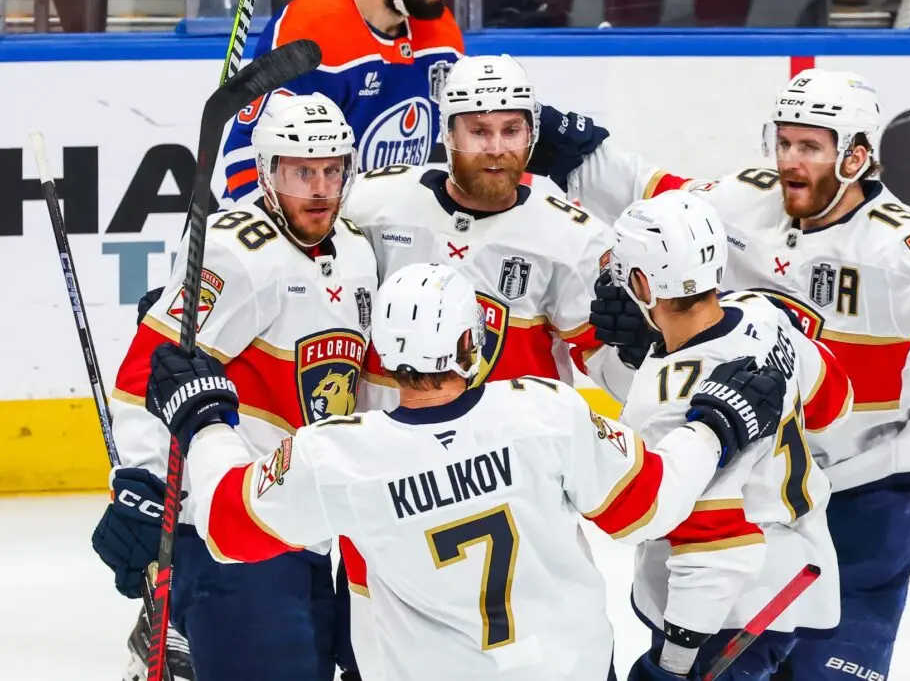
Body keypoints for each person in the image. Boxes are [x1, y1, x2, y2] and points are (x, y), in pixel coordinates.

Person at [525, 68, 910, 680]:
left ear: (856, 156)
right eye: (784, 141)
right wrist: (577, 151)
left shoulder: (898, 246)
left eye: (810, 147)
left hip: (864, 499)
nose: (790, 160)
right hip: (760, 491)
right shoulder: (745, 198)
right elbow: (655, 195)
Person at [143, 261, 790, 681]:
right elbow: (651, 503)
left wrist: (203, 417)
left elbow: (229, 524)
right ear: (470, 343)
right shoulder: (547, 412)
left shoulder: (338, 455)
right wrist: (714, 424)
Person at [91, 94, 383, 681]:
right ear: (269, 171)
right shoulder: (234, 251)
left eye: (333, 169)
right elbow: (147, 374)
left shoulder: (355, 250)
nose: (321, 187)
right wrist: (146, 490)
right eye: (303, 171)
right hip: (233, 529)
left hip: (315, 525)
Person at [606, 192, 851, 680]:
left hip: (727, 610)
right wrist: (658, 347)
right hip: (799, 571)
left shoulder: (669, 398)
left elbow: (716, 542)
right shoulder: (760, 312)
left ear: (641, 281)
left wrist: (675, 663)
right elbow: (834, 402)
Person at [342, 54, 637, 408]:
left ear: (533, 133)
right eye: (479, 132)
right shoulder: (371, 205)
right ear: (448, 134)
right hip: (393, 453)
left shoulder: (574, 239)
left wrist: (633, 351)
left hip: (513, 457)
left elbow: (618, 381)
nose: (497, 149)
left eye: (511, 131)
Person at [222, 0, 464, 203]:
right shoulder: (312, 27)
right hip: (300, 227)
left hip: (386, 228)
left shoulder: (440, 27)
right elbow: (245, 152)